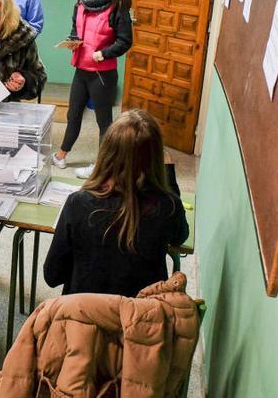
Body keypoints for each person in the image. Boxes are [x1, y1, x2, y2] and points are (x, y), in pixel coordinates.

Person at [43, 109, 189, 298]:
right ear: (156, 159)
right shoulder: (168, 206)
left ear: (106, 153)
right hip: (140, 320)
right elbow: (180, 236)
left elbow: (52, 275)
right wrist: (168, 173)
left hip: (84, 318)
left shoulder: (78, 203)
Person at [51, 0, 133, 178]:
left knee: (104, 121)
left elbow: (125, 41)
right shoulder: (81, 3)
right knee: (73, 114)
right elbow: (75, 30)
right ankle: (61, 155)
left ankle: (103, 167)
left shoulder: (118, 6)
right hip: (81, 70)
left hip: (102, 74)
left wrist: (104, 53)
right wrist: (72, 40)